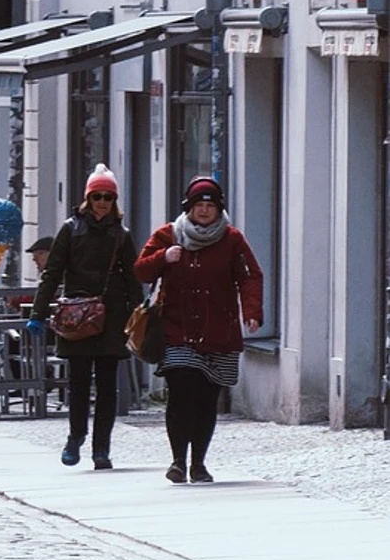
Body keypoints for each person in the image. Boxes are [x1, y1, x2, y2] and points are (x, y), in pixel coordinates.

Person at [135, 176, 264, 485]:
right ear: (188, 208)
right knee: (181, 392)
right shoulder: (168, 235)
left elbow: (250, 276)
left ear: (219, 209)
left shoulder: (232, 239)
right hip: (177, 328)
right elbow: (140, 269)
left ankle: (199, 463)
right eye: (199, 205)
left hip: (219, 330)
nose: (204, 211)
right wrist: (163, 258)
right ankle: (178, 460)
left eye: (210, 206)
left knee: (207, 398)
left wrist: (252, 311)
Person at [27, 164, 141, 471]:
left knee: (106, 386)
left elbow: (133, 278)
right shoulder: (71, 229)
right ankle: (75, 436)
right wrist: (38, 313)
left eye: (107, 197)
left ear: (114, 200)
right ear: (88, 199)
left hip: (112, 315)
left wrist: (139, 318)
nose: (102, 202)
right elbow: (52, 272)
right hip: (76, 316)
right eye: (97, 196)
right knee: (77, 383)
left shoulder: (121, 234)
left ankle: (101, 449)